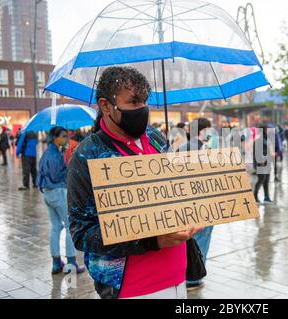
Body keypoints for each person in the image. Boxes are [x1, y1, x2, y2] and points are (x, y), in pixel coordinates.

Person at [67, 67, 201, 299]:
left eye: (145, 101)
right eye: (133, 102)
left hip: (179, 277)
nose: (142, 109)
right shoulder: (87, 155)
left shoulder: (157, 139)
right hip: (133, 288)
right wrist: (152, 241)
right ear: (106, 106)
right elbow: (82, 234)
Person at [37, 126, 86, 275]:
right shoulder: (54, 154)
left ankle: (56, 263)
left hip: (48, 193)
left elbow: (41, 175)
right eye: (63, 136)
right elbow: (56, 175)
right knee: (71, 227)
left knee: (56, 227)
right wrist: (68, 168)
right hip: (57, 192)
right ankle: (71, 263)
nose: (66, 139)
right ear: (55, 137)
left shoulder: (48, 152)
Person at [179, 118, 213, 292]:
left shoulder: (181, 148)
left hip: (185, 203)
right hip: (204, 202)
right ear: (202, 130)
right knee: (202, 239)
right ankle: (194, 277)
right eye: (209, 129)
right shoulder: (206, 149)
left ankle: (186, 274)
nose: (211, 133)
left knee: (188, 238)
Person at [253, 125, 275, 203]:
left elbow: (269, 151)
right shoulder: (258, 140)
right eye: (267, 130)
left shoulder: (267, 140)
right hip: (261, 164)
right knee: (261, 180)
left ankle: (266, 197)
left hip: (267, 163)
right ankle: (255, 195)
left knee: (266, 180)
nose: (269, 131)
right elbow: (256, 153)